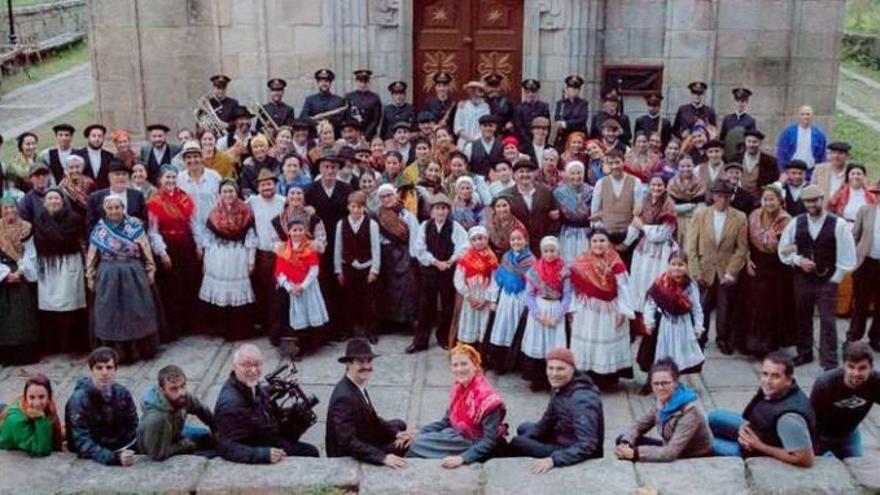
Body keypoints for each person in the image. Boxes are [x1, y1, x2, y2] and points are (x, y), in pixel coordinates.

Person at [778, 184, 856, 369]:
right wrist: (798, 260)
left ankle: (829, 360)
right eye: (808, 201)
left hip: (827, 280)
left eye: (815, 200)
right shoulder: (796, 223)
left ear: (823, 200)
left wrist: (834, 280)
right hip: (802, 280)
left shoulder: (839, 224)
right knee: (802, 316)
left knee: (828, 321)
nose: (812, 204)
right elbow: (783, 250)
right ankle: (804, 353)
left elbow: (848, 258)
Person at [214, 344, 319, 463]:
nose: (253, 371)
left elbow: (258, 404)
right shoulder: (230, 405)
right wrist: (262, 454)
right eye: (246, 365)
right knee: (311, 453)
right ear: (234, 367)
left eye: (257, 364)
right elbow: (226, 447)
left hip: (268, 435)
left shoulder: (249, 384)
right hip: (260, 446)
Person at [87, 194, 159, 363]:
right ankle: (113, 351)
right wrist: (89, 275)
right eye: (110, 208)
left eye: (117, 207)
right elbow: (92, 255)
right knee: (109, 312)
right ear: (105, 210)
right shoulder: (100, 230)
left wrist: (150, 269)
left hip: (132, 273)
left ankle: (136, 350)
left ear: (123, 208)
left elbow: (146, 249)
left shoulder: (134, 227)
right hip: (108, 274)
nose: (114, 211)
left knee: (135, 310)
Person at [709, 352, 815, 467]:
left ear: (788, 380)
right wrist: (744, 428)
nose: (768, 381)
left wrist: (759, 446)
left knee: (702, 441)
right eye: (765, 374)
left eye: (775, 376)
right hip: (758, 432)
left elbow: (805, 459)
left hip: (757, 451)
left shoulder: (789, 419)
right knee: (714, 417)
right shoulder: (777, 390)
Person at [408, 343, 507, 466]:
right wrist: (420, 431)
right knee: (416, 441)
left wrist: (462, 458)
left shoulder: (488, 400)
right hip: (456, 435)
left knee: (417, 446)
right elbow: (446, 421)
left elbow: (488, 440)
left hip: (474, 444)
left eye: (464, 364)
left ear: (475, 365)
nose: (459, 369)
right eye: (455, 365)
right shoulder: (459, 388)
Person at [508, 347, 603, 473]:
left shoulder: (582, 400)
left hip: (571, 448)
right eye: (550, 368)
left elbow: (587, 445)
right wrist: (529, 437)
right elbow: (547, 420)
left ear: (573, 369)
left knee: (517, 442)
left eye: (560, 369)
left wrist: (553, 460)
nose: (554, 374)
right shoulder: (560, 385)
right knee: (523, 428)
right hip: (562, 435)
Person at [325, 339, 411, 467]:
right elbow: (348, 442)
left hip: (363, 434)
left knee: (400, 426)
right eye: (360, 362)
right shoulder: (343, 398)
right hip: (348, 455)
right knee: (403, 445)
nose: (367, 366)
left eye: (369, 361)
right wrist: (382, 458)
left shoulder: (356, 385)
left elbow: (373, 418)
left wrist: (396, 433)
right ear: (348, 363)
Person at [686, 179, 748, 354]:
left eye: (727, 196)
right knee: (701, 307)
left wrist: (731, 272)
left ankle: (723, 339)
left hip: (725, 270)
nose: (723, 200)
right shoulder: (701, 215)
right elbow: (691, 246)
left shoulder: (740, 217)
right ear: (713, 196)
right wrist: (695, 271)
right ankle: (700, 338)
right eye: (720, 196)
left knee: (725, 308)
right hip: (705, 268)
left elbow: (741, 249)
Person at [569, 229, 636, 389]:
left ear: (609, 243)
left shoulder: (616, 262)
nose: (598, 244)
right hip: (587, 308)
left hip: (609, 308)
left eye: (602, 241)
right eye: (595, 241)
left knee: (606, 342)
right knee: (587, 340)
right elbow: (573, 287)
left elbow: (624, 287)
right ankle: (584, 376)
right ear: (589, 243)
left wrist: (623, 310)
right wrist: (572, 309)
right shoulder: (581, 262)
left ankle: (606, 379)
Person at [616, 358, 713, 462]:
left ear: (675, 383)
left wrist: (635, 453)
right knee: (622, 439)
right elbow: (639, 425)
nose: (660, 388)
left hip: (689, 453)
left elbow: (670, 453)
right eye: (656, 384)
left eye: (665, 383)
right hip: (669, 444)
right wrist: (626, 443)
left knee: (633, 451)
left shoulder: (690, 411)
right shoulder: (663, 402)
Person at [408, 194, 469, 353]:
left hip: (448, 271)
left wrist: (450, 261)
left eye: (443, 208)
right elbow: (419, 248)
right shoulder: (425, 226)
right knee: (425, 305)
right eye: (437, 208)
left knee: (448, 304)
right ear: (432, 211)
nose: (440, 212)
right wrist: (435, 261)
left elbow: (463, 247)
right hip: (430, 271)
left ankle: (444, 337)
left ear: (448, 211)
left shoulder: (455, 227)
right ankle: (420, 341)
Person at [32, 189, 87, 355]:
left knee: (71, 304)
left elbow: (66, 240)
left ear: (63, 201)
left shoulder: (74, 218)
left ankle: (73, 344)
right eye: (50, 198)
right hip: (48, 266)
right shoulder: (39, 219)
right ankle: (53, 345)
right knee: (49, 305)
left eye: (57, 197)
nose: (54, 201)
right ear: (44, 202)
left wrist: (55, 242)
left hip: (68, 263)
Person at [147, 166, 199, 340]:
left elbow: (193, 223)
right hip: (168, 246)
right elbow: (152, 231)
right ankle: (173, 328)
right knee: (170, 288)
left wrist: (198, 245)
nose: (170, 181)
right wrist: (162, 253)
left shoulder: (185, 198)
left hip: (186, 245)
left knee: (188, 284)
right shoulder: (154, 202)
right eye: (167, 177)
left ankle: (189, 325)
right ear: (160, 180)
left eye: (173, 177)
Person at [201, 179, 257, 339]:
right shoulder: (214, 212)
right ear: (220, 194)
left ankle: (239, 329)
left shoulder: (246, 211)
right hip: (218, 256)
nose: (228, 194)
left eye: (231, 191)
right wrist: (205, 261)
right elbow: (208, 238)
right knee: (221, 292)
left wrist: (251, 260)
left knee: (238, 292)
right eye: (225, 191)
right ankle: (221, 328)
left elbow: (251, 238)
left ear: (236, 192)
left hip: (238, 255)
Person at [742, 185, 795, 356]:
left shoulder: (786, 220)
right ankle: (750, 343)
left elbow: (784, 246)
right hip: (755, 263)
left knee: (771, 305)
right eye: (765, 199)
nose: (768, 203)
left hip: (776, 266)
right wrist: (747, 259)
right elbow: (745, 240)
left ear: (780, 200)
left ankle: (768, 345)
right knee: (752, 304)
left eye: (772, 199)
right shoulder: (754, 215)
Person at [65, 347, 139, 466]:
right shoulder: (78, 400)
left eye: (109, 367)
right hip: (92, 456)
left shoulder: (122, 393)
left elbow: (133, 426)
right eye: (99, 368)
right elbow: (82, 442)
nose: (104, 373)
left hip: (120, 447)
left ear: (115, 370)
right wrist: (113, 457)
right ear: (91, 371)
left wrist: (129, 449)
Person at [638, 253, 705, 380]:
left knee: (678, 354)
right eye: (673, 264)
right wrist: (649, 322)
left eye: (681, 264)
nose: (677, 268)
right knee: (655, 353)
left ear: (687, 267)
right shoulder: (660, 283)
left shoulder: (690, 286)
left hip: (682, 325)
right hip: (662, 323)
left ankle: (673, 380)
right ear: (668, 265)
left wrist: (698, 327)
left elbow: (696, 308)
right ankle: (652, 380)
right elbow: (650, 303)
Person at [810, 342, 880, 459]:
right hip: (821, 436)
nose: (856, 373)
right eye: (851, 367)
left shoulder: (876, 382)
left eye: (862, 368)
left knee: (858, 466)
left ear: (871, 368)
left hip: (849, 433)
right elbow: (811, 420)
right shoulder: (825, 384)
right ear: (844, 366)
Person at [520, 236, 571, 391]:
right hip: (540, 307)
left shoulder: (564, 271)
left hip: (555, 308)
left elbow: (567, 295)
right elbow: (528, 294)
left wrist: (557, 316)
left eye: (552, 251)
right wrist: (538, 315)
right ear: (541, 252)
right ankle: (538, 379)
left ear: (558, 251)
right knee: (538, 343)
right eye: (546, 251)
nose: (549, 254)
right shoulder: (534, 270)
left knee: (553, 344)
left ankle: (555, 380)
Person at [137, 365, 215, 461]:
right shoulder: (156, 418)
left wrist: (216, 428)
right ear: (162, 390)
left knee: (205, 435)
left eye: (183, 386)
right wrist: (184, 445)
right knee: (207, 453)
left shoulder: (182, 397)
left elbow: (201, 409)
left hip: (176, 431)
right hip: (160, 442)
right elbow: (157, 454)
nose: (181, 392)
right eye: (174, 389)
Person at [275, 217, 329, 353]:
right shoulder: (283, 249)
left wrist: (302, 286)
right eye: (294, 230)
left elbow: (314, 270)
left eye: (300, 230)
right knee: (293, 317)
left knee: (310, 313)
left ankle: (311, 345)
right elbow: (279, 271)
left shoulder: (310, 248)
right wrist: (289, 287)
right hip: (291, 289)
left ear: (305, 231)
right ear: (289, 232)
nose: (297, 233)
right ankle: (295, 346)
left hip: (308, 288)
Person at [334, 190, 381, 342]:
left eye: (360, 207)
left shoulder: (372, 224)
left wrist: (374, 270)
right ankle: (348, 330)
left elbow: (376, 248)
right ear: (348, 207)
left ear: (364, 208)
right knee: (349, 300)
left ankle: (371, 330)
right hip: (348, 267)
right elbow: (338, 248)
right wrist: (338, 270)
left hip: (366, 266)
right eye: (353, 207)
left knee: (369, 302)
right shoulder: (341, 224)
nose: (356, 210)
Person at [629, 175, 678, 320]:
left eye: (660, 185)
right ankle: (638, 323)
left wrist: (643, 226)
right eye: (654, 185)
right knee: (639, 283)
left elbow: (661, 235)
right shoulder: (645, 201)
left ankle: (653, 324)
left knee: (655, 284)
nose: (656, 188)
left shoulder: (669, 206)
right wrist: (625, 243)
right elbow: (634, 223)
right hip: (642, 249)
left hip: (660, 251)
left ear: (665, 187)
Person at [373, 183, 419, 332]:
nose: (386, 199)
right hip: (386, 255)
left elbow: (414, 235)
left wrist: (413, 256)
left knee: (405, 290)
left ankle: (405, 321)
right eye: (383, 197)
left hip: (404, 254)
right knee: (387, 289)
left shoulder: (406, 214)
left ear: (395, 195)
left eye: (389, 195)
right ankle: (389, 322)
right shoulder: (377, 215)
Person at [0, 193, 39, 365]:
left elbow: (31, 253)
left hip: (23, 272)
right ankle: (6, 355)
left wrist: (20, 271)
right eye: (6, 208)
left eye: (12, 207)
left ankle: (25, 355)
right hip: (3, 275)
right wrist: (5, 274)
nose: (10, 211)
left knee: (24, 317)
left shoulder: (26, 227)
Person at [247, 168, 285, 339]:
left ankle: (277, 326)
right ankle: (264, 324)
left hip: (280, 252)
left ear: (275, 185)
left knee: (278, 290)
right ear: (258, 187)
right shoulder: (252, 201)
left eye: (269, 184)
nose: (266, 188)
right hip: (262, 253)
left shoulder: (283, 201)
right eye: (262, 185)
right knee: (262, 290)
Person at [590, 150, 643, 264]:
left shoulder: (636, 182)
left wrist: (626, 243)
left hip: (628, 237)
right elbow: (595, 213)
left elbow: (638, 214)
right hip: (607, 237)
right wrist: (605, 241)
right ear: (607, 165)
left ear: (623, 163)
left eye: (617, 162)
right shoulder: (601, 183)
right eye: (611, 163)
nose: (615, 166)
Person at [453, 226, 499, 346]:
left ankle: (482, 353)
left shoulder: (492, 259)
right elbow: (458, 279)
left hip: (484, 297)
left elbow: (495, 280)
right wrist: (468, 296)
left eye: (481, 238)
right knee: (469, 323)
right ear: (471, 241)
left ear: (486, 239)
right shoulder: (465, 258)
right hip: (470, 297)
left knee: (483, 326)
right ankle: (468, 350)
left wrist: (486, 298)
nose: (478, 241)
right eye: (475, 239)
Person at [504, 158, 560, 255]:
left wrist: (550, 237)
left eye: (528, 172)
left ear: (534, 174)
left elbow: (554, 216)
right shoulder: (507, 196)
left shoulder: (545, 192)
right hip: (517, 245)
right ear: (514, 175)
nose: (525, 175)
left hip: (542, 245)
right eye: (521, 172)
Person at [0, 373, 63, 457]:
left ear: (49, 397)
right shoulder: (17, 422)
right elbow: (40, 449)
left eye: (41, 397)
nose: (37, 403)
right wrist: (41, 419)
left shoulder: (50, 405)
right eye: (32, 397)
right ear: (25, 397)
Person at [848, 186, 880, 350]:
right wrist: (853, 257)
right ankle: (854, 336)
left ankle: (876, 337)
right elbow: (854, 235)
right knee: (860, 302)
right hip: (865, 263)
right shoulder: (865, 211)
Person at [86, 158, 147, 230]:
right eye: (117, 174)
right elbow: (91, 225)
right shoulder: (95, 198)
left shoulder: (138, 196)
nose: (121, 177)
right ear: (109, 176)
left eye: (124, 174)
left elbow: (145, 222)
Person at [554, 161, 593, 265]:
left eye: (579, 173)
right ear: (567, 175)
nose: (576, 176)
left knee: (585, 264)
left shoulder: (591, 191)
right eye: (573, 173)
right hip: (567, 232)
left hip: (586, 233)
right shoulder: (559, 192)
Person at [778, 105, 829, 175]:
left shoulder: (819, 135)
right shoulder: (788, 133)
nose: (805, 117)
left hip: (811, 171)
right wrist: (783, 171)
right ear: (799, 116)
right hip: (792, 171)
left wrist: (820, 172)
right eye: (803, 114)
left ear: (812, 116)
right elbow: (781, 153)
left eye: (808, 114)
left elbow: (822, 156)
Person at [667, 157, 705, 247]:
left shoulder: (700, 183)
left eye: (688, 166)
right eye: (682, 166)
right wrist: (688, 207)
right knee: (677, 246)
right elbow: (669, 206)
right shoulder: (672, 183)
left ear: (693, 166)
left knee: (691, 246)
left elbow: (702, 204)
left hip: (694, 220)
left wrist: (692, 211)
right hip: (676, 220)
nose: (685, 169)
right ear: (678, 167)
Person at [300, 69, 346, 137]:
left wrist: (328, 123)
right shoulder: (310, 100)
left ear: (330, 83)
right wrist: (317, 124)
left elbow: (342, 119)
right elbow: (303, 117)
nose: (324, 84)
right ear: (318, 83)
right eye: (321, 81)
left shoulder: (339, 100)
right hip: (315, 136)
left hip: (334, 137)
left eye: (326, 81)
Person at [732, 129, 778, 198]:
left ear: (760, 143)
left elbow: (773, 182)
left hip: (759, 200)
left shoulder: (770, 161)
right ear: (745, 142)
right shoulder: (735, 158)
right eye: (749, 141)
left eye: (754, 142)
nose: (751, 145)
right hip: (738, 199)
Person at [344, 70, 382, 141]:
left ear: (368, 82)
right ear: (356, 82)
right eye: (360, 81)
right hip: (352, 134)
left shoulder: (375, 98)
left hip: (369, 135)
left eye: (365, 82)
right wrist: (351, 132)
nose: (363, 85)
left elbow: (376, 119)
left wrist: (366, 135)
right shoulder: (349, 97)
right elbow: (346, 117)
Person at [75, 124, 116, 190]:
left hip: (104, 193)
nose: (97, 139)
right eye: (94, 136)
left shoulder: (109, 156)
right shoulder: (78, 155)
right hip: (84, 194)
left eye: (100, 136)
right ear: (88, 137)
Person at [453, 81, 491, 150]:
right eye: (472, 91)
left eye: (477, 91)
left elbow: (486, 125)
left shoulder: (486, 107)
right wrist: (470, 139)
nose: (474, 94)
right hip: (464, 142)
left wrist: (477, 140)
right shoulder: (462, 106)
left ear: (482, 93)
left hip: (481, 143)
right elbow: (457, 127)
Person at [58, 154, 97, 220]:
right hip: (69, 221)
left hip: (87, 219)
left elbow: (94, 204)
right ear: (66, 169)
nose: (74, 170)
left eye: (77, 167)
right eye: (71, 167)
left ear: (82, 168)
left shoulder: (90, 183)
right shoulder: (62, 185)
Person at [513, 79, 550, 145]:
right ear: (524, 92)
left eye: (533, 92)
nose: (530, 95)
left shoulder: (543, 107)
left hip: (541, 141)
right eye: (528, 92)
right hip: (524, 142)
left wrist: (542, 139)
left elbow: (547, 125)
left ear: (537, 92)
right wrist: (529, 142)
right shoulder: (519, 108)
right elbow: (519, 127)